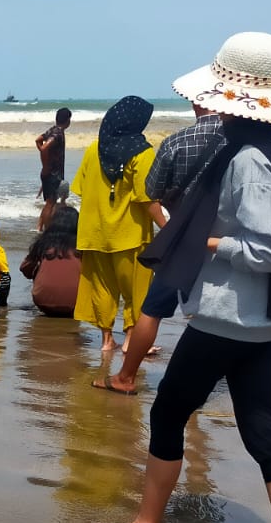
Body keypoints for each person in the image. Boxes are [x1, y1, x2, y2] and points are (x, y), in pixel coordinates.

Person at [94, 31, 271, 523]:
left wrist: (206, 241)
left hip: (233, 316)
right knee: (264, 427)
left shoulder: (246, 158)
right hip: (263, 318)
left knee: (168, 411)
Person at [94, 105, 226, 394]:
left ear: (195, 103)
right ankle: (202, 380)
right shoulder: (238, 140)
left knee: (152, 310)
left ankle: (126, 377)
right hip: (226, 240)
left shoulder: (175, 142)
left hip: (184, 239)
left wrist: (172, 219)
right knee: (208, 313)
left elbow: (151, 190)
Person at [70, 96, 158, 355]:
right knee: (136, 290)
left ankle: (107, 340)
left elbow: (82, 190)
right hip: (129, 233)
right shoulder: (143, 153)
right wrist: (167, 225)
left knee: (102, 288)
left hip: (95, 233)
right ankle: (132, 339)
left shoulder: (93, 149)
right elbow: (146, 198)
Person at [19, 205, 81, 317]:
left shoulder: (43, 243)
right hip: (75, 304)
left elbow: (25, 268)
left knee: (39, 266)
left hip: (43, 302)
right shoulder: (82, 246)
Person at [36, 107, 72, 229]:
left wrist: (45, 164)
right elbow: (45, 147)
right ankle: (47, 230)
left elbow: (38, 140)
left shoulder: (52, 130)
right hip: (53, 173)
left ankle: (40, 227)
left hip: (49, 172)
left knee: (49, 203)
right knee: (51, 203)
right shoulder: (58, 133)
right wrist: (46, 166)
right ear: (68, 121)